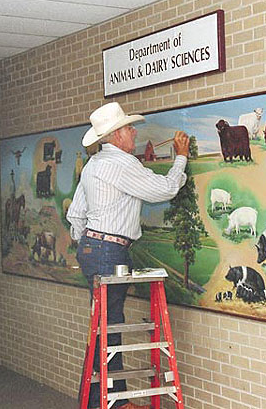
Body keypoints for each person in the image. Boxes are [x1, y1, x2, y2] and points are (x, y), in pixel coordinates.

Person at [67, 102, 189, 409]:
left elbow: (75, 214)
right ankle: (108, 403)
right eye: (129, 127)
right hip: (110, 249)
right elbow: (163, 190)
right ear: (116, 135)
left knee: (107, 326)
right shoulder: (121, 163)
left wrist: (88, 242)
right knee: (109, 329)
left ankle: (111, 401)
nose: (134, 132)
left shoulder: (95, 164)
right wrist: (181, 158)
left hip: (94, 247)